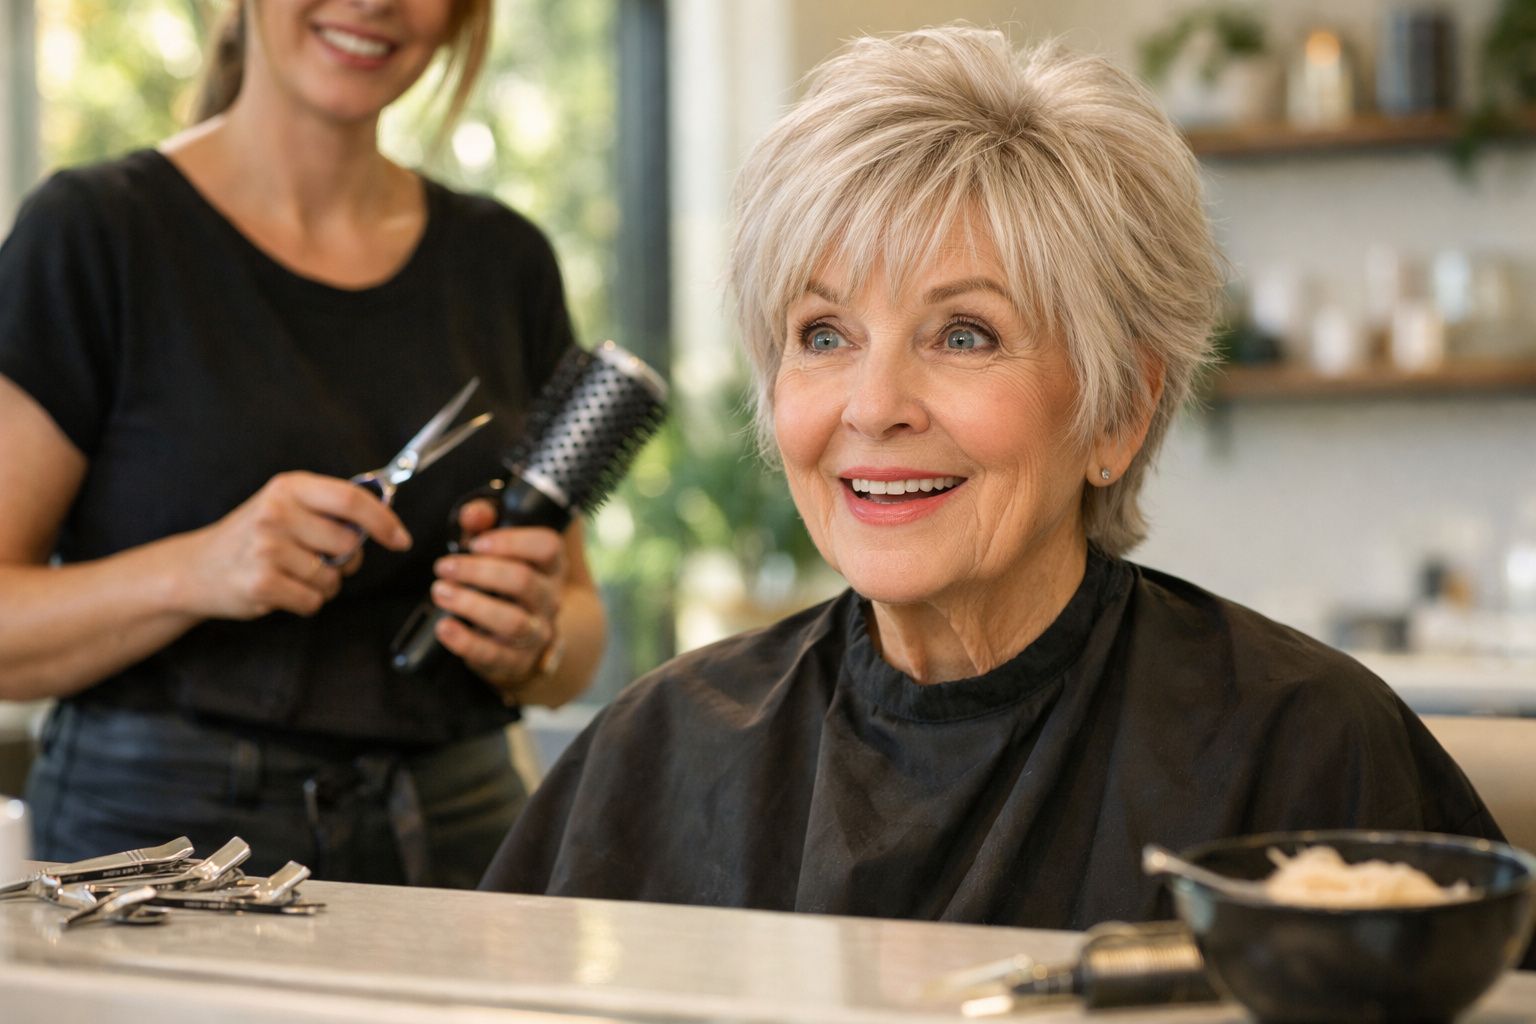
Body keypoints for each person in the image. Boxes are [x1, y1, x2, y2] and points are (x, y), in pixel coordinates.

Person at [480, 27, 1507, 930]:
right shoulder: (662, 748)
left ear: (1117, 411)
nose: (874, 405)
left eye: (964, 333)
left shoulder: (1302, 746)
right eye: (824, 332)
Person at [0, 0, 606, 887]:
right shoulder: (95, 235)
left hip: (466, 844)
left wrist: (534, 641)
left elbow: (581, 627)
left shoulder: (505, 263)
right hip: (159, 854)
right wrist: (199, 572)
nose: (374, 3)